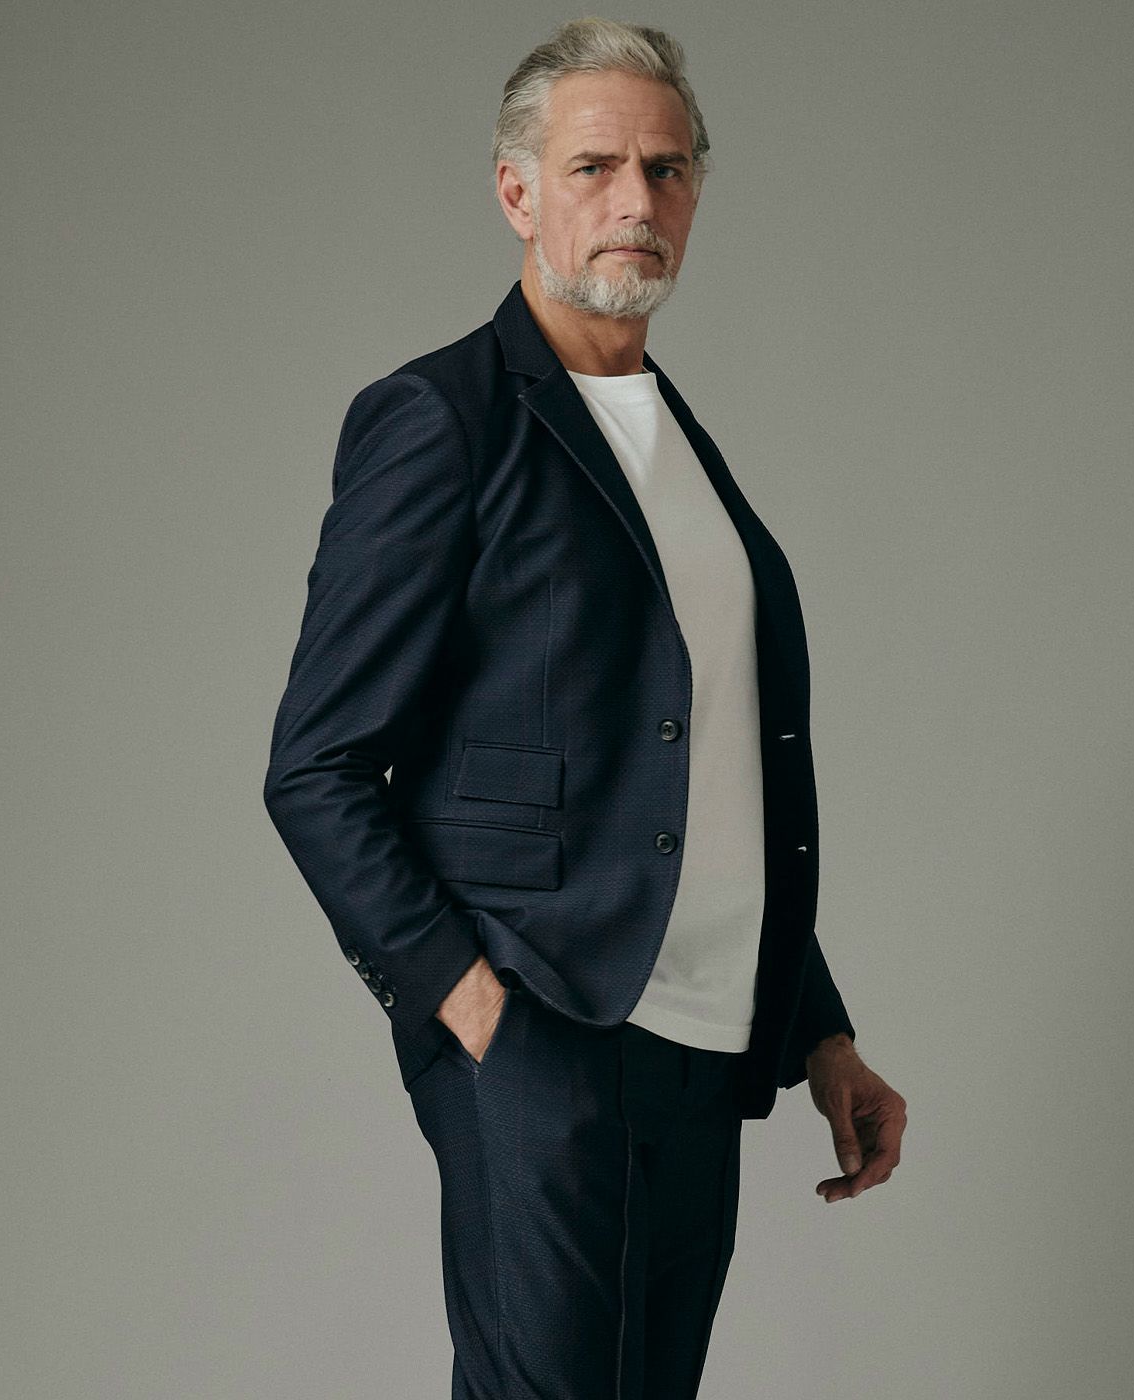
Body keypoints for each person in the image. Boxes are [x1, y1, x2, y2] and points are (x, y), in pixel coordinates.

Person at [263, 17, 907, 1399]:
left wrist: (820, 1032)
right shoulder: (444, 420)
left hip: (707, 1050)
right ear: (517, 191)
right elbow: (317, 764)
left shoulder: (681, 448)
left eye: (667, 170)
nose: (636, 200)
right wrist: (463, 998)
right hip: (545, 1031)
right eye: (595, 166)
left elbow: (701, 776)